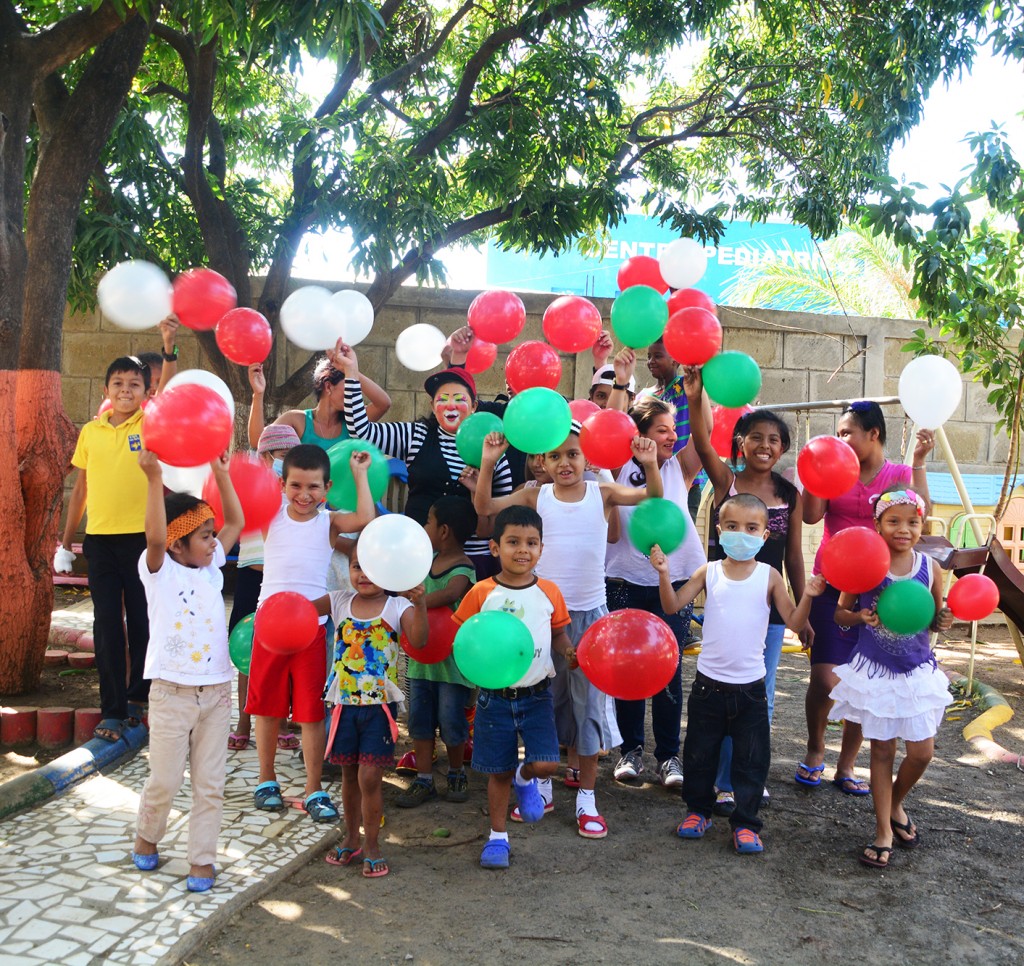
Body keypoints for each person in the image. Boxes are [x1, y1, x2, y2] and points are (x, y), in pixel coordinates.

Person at [474, 427, 662, 839]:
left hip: (592, 618)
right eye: (555, 456)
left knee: (590, 708)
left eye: (573, 454)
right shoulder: (534, 496)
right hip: (541, 618)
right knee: (546, 703)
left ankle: (588, 799)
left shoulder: (603, 492)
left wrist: (649, 464)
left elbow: (652, 496)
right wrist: (489, 461)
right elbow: (485, 505)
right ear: (542, 461)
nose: (565, 463)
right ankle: (542, 785)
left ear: (587, 458)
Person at [652, 494, 825, 854]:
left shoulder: (769, 576)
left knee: (751, 760)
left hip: (750, 690)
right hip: (707, 688)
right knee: (699, 754)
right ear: (719, 531)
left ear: (764, 536)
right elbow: (671, 605)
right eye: (732, 527)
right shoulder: (708, 571)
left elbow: (793, 620)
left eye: (750, 528)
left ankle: (746, 823)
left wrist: (807, 595)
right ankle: (698, 811)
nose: (740, 534)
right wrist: (665, 574)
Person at [683, 365, 806, 814]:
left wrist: (801, 611)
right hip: (725, 603)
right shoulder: (725, 482)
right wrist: (696, 398)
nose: (764, 446)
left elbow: (793, 556)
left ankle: (746, 779)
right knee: (716, 692)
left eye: (774, 440)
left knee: (762, 694)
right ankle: (719, 781)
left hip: (769, 608)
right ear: (740, 443)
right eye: (756, 437)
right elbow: (700, 443)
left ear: (783, 449)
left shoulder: (789, 495)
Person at [798, 400, 935, 794]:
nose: (840, 439)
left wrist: (921, 460)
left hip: (880, 590)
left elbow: (921, 520)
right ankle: (814, 748)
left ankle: (846, 766)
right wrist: (814, 475)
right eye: (838, 433)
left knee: (866, 683)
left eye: (847, 432)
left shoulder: (898, 474)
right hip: (831, 579)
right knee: (825, 677)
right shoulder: (834, 468)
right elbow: (811, 517)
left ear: (872, 434)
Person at [131, 448, 244, 893]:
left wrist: (222, 474)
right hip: (171, 694)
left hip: (215, 694)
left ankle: (202, 859)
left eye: (212, 535)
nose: (215, 542)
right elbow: (155, 538)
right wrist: (153, 480)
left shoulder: (212, 568)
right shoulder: (158, 569)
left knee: (210, 784)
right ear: (179, 543)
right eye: (204, 536)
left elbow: (234, 523)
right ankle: (147, 834)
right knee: (164, 780)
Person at [246, 444, 375, 820]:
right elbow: (238, 506)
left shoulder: (329, 523)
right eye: (296, 486)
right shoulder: (271, 516)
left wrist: (361, 474)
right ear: (282, 485)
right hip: (269, 628)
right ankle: (266, 780)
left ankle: (313, 788)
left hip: (312, 630)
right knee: (267, 708)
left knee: (310, 712)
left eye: (314, 487)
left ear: (327, 487)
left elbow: (365, 517)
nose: (305, 495)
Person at [830, 488, 954, 869]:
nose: (904, 529)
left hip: (916, 671)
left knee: (922, 753)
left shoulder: (928, 567)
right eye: (894, 521)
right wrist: (859, 617)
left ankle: (896, 802)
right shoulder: (865, 564)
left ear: (922, 526)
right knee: (882, 752)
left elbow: (933, 617)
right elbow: (839, 614)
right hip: (876, 672)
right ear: (877, 525)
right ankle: (883, 829)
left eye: (913, 522)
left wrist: (944, 619)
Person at [452, 506, 574, 869]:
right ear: (494, 548)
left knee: (547, 765)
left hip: (537, 695)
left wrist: (568, 650)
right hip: (494, 698)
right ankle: (498, 838)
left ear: (541, 549)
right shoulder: (481, 592)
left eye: (531, 543)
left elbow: (558, 633)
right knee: (498, 771)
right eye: (513, 542)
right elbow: (464, 636)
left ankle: (526, 780)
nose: (523, 550)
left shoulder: (550, 591)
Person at [336, 345, 512, 576]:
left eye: (459, 399)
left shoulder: (493, 446)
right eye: (442, 399)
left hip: (474, 561)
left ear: (474, 406)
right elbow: (360, 431)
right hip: (418, 555)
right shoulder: (415, 435)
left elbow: (501, 513)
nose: (450, 405)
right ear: (432, 406)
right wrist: (351, 373)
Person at [604, 391, 706, 790]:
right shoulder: (615, 467)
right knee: (628, 667)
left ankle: (668, 755)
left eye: (671, 430)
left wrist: (698, 396)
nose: (669, 436)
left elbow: (701, 434)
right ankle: (630, 751)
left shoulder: (680, 466)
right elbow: (606, 430)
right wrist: (621, 382)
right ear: (639, 434)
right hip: (624, 581)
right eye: (660, 430)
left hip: (674, 581)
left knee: (667, 669)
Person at [316, 541, 428, 878]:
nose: (362, 575)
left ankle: (373, 845)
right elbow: (299, 609)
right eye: (355, 566)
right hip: (344, 708)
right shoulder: (338, 601)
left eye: (371, 567)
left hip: (379, 710)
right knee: (349, 776)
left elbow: (419, 640)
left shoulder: (397, 606)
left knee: (369, 777)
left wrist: (420, 604)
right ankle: (351, 838)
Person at [57, 356, 152, 742]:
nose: (125, 390)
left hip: (143, 541)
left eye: (134, 384)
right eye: (118, 383)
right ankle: (112, 709)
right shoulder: (91, 432)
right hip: (99, 542)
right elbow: (80, 487)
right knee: (107, 625)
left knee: (144, 622)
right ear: (105, 390)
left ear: (146, 393)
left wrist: (168, 349)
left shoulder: (151, 425)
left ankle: (138, 698)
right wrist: (67, 540)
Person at [396, 496, 479, 807]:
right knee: (419, 719)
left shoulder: (465, 568)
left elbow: (451, 593)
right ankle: (425, 778)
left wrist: (414, 601)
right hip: (421, 661)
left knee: (451, 720)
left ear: (444, 530)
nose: (424, 526)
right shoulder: (423, 559)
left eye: (429, 521)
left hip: (451, 666)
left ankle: (456, 771)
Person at [227, 422, 301, 752]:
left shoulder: (297, 491)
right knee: (248, 650)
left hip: (284, 577)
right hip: (250, 575)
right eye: (284, 456)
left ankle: (282, 719)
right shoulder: (251, 488)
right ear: (267, 456)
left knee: (282, 649)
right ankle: (244, 719)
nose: (289, 462)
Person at [248, 339, 391, 450]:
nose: (355, 391)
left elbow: (383, 404)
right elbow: (258, 441)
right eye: (350, 383)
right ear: (328, 386)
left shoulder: (354, 423)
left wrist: (351, 369)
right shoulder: (297, 420)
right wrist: (258, 394)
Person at [136, 316, 181, 397]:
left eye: (160, 381)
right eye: (148, 381)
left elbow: (163, 393)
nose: (154, 387)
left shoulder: (164, 404)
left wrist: (169, 343)